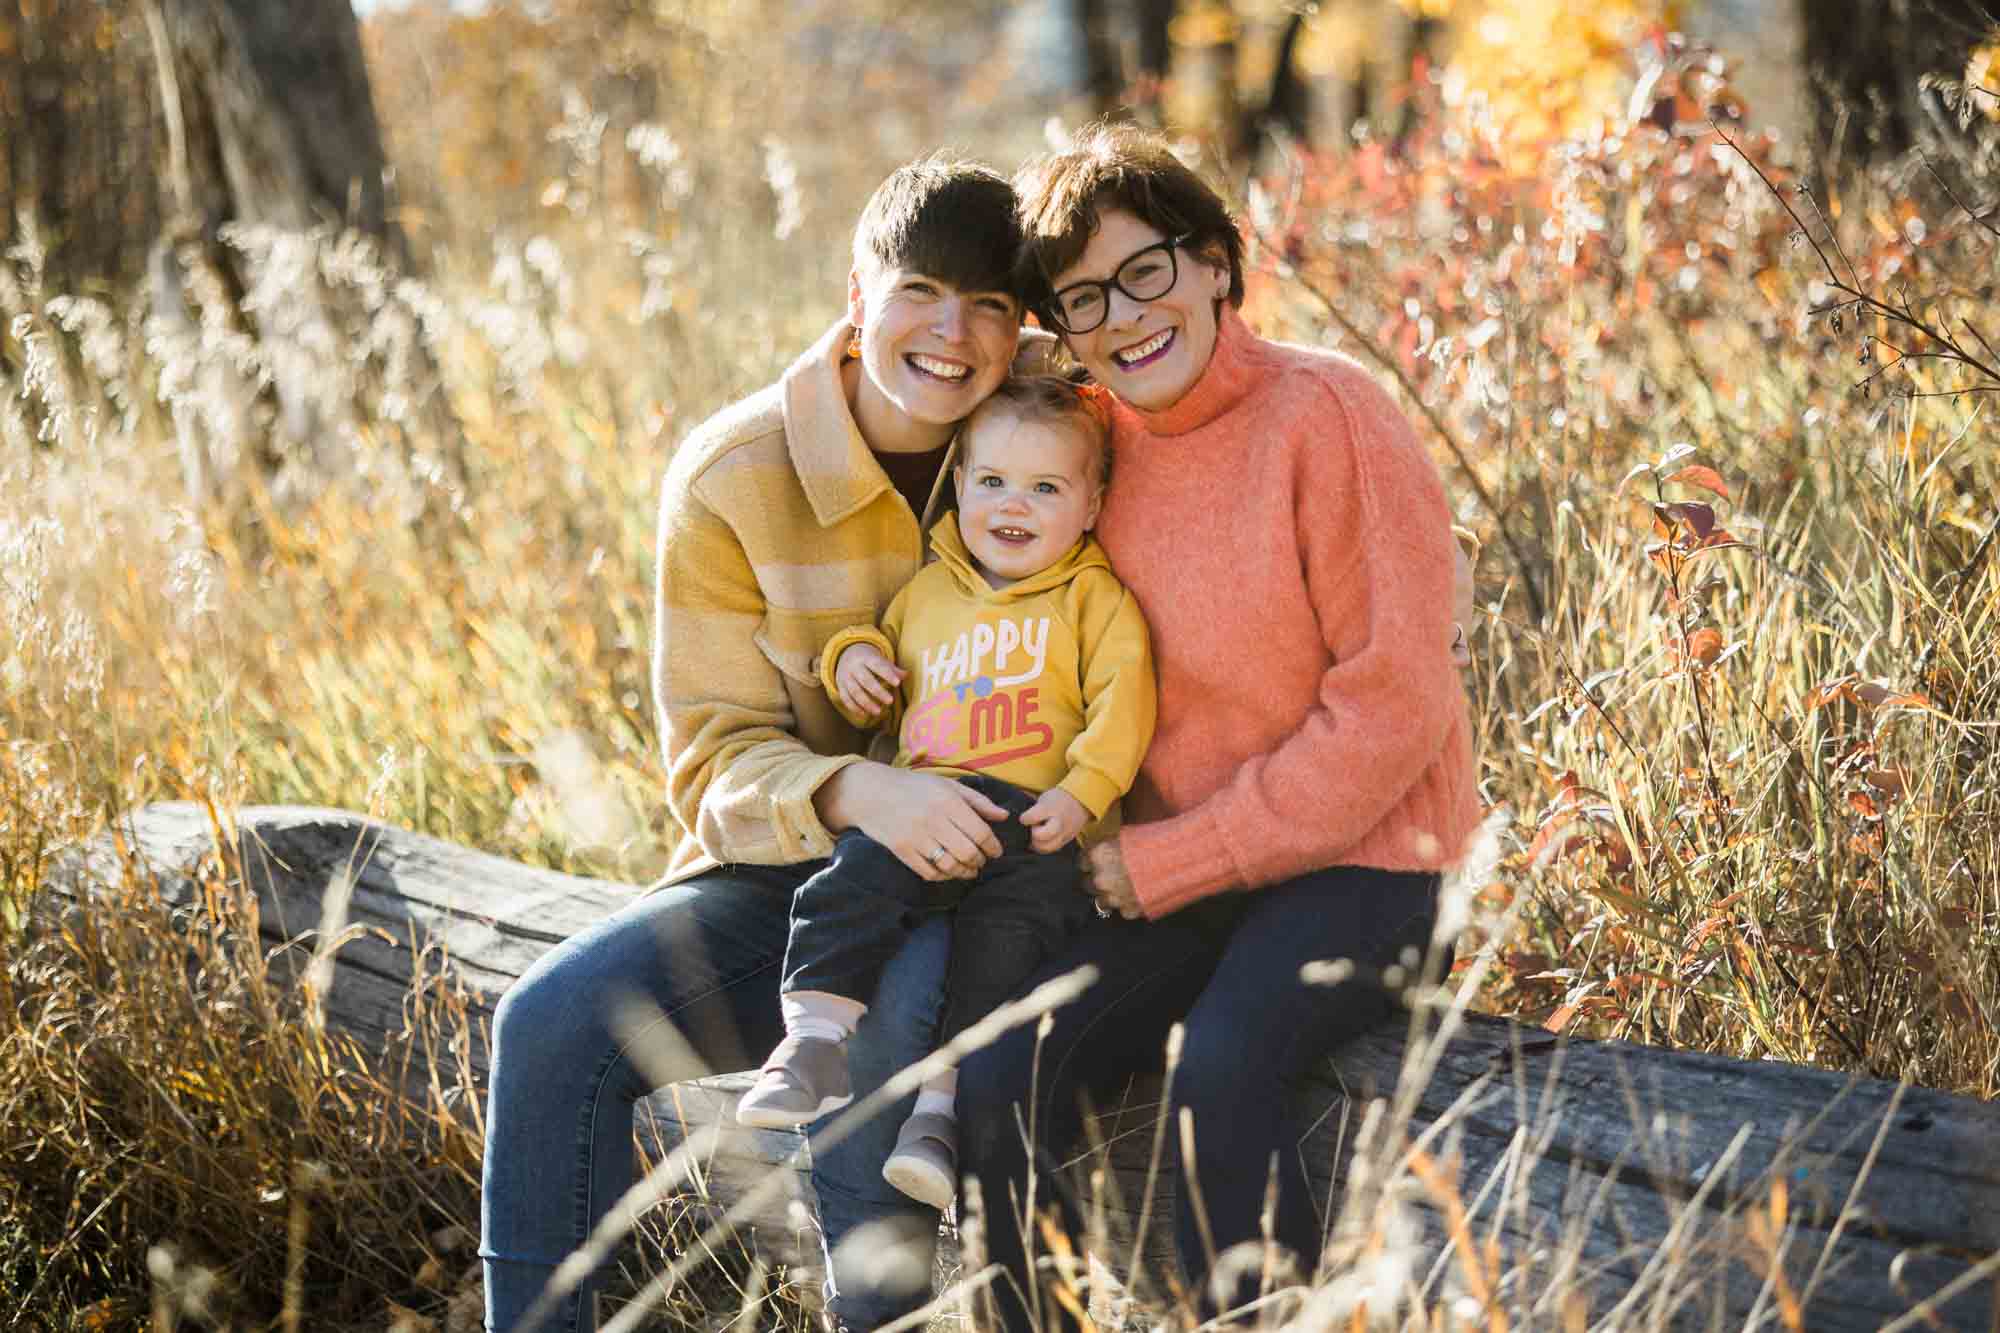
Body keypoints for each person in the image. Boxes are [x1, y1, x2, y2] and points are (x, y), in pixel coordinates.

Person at [478, 157, 1040, 1333]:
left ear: (1021, 325)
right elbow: (713, 760)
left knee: (890, 1024)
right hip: (794, 877)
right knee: (549, 1025)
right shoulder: (736, 476)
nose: (952, 333)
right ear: (856, 293)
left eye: (989, 303)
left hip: (1002, 881)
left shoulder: (1049, 435)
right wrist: (857, 791)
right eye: (920, 291)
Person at [951, 122, 1484, 1330]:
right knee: (1001, 1064)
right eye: (1084, 299)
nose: (1126, 317)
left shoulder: (1328, 415)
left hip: (1370, 868)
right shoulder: (1089, 443)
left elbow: (1394, 704)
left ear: (1210, 262)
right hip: (1181, 879)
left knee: (1221, 1062)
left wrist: (1178, 856)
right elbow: (924, 370)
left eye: (1145, 271)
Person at [734, 375, 1156, 1219]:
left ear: (1091, 504)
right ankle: (813, 1038)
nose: (1013, 504)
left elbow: (1124, 705)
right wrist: (851, 661)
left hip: (1030, 823)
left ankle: (939, 1114)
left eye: (1046, 488)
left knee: (1006, 947)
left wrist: (1083, 793)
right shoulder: (927, 592)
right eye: (992, 480)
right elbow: (879, 681)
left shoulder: (1093, 600)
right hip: (924, 808)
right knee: (852, 882)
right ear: (959, 485)